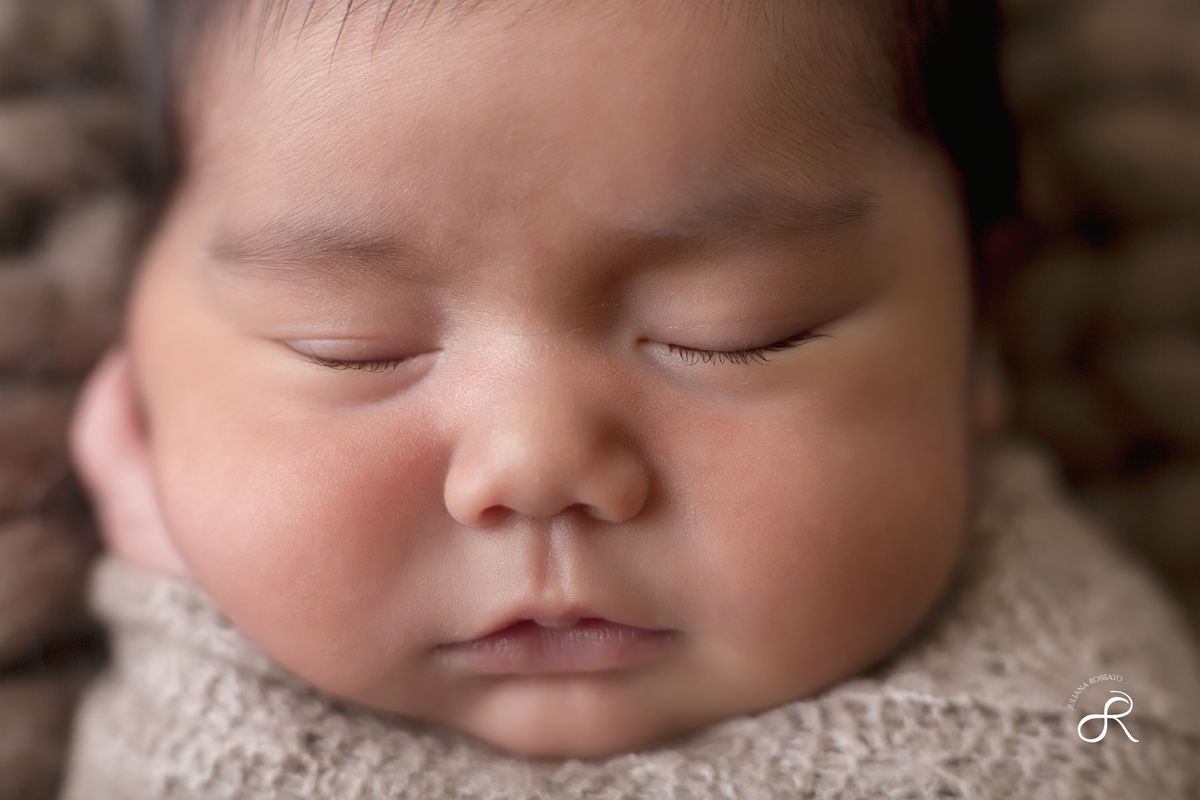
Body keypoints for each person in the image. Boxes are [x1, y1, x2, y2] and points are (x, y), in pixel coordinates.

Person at [62, 0, 1200, 796]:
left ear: (976, 339)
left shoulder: (1090, 702)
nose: (538, 463)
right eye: (351, 346)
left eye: (737, 332)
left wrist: (200, 651)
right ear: (143, 348)